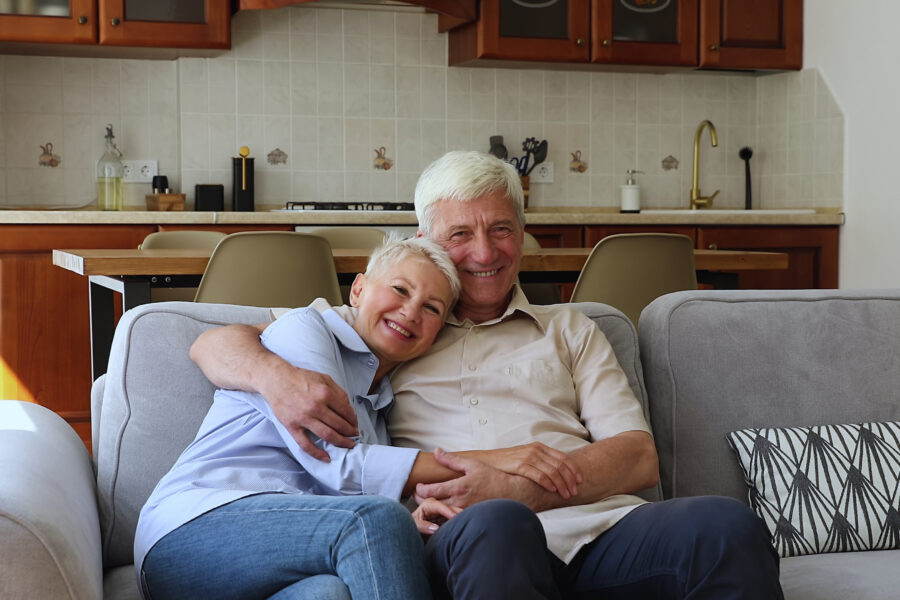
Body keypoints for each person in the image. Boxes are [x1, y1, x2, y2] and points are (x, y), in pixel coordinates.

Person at [191, 151, 784, 599]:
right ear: (428, 242)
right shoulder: (398, 326)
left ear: (521, 236)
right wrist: (273, 375)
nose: (484, 252)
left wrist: (518, 489)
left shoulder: (570, 329)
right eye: (460, 234)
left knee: (725, 523)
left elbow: (637, 458)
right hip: (472, 536)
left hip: (601, 531)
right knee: (499, 524)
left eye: (501, 228)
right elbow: (216, 340)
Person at [136, 235, 576, 599]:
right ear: (359, 289)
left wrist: (409, 523)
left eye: (432, 309)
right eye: (401, 290)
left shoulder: (380, 407)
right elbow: (337, 465)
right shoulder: (304, 331)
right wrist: (503, 459)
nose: (410, 311)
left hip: (275, 562)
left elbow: (348, 495)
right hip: (194, 528)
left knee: (331, 594)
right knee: (375, 520)